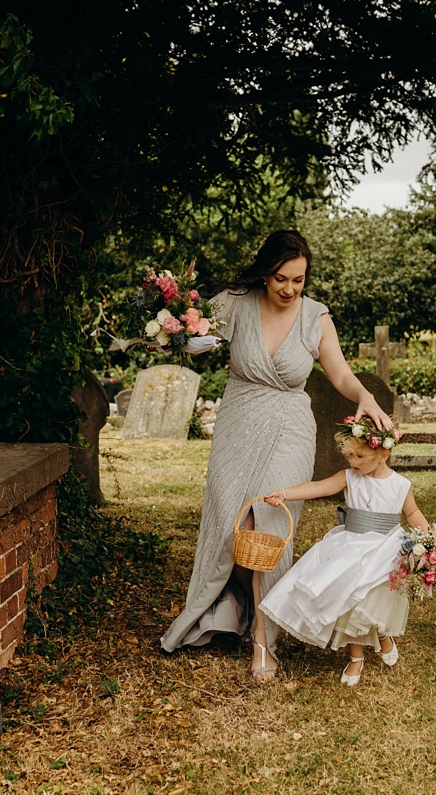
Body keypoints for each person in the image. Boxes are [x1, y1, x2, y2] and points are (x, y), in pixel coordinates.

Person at [159, 230, 393, 683]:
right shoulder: (234, 301)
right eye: (281, 278)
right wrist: (179, 339)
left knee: (266, 525)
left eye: (299, 280)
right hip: (239, 420)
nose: (289, 289)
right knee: (233, 524)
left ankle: (263, 641)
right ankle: (237, 610)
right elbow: (192, 332)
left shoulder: (315, 317)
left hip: (290, 425)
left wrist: (364, 395)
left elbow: (340, 372)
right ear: (265, 273)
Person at [259, 416, 428, 686]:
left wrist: (427, 539)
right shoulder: (349, 477)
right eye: (349, 455)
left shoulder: (400, 485)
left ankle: (383, 634)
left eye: (360, 456)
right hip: (350, 547)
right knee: (349, 599)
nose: (353, 461)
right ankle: (356, 657)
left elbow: (412, 512)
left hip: (385, 549)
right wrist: (284, 493)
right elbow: (317, 487)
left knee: (374, 600)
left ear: (383, 454)